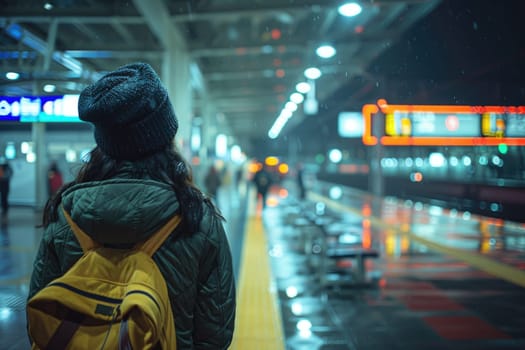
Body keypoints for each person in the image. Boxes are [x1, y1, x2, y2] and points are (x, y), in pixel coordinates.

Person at [27, 62, 236, 349]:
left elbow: (39, 320)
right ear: (166, 138)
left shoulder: (64, 214)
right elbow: (216, 334)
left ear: (104, 143)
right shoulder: (196, 218)